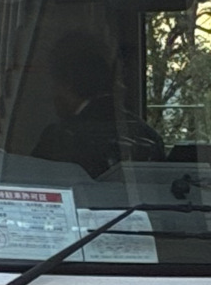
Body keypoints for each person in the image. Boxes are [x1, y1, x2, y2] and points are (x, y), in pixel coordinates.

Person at [31, 30, 164, 178]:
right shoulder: (148, 134)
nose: (52, 94)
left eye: (54, 83)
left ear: (66, 82)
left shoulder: (60, 138)